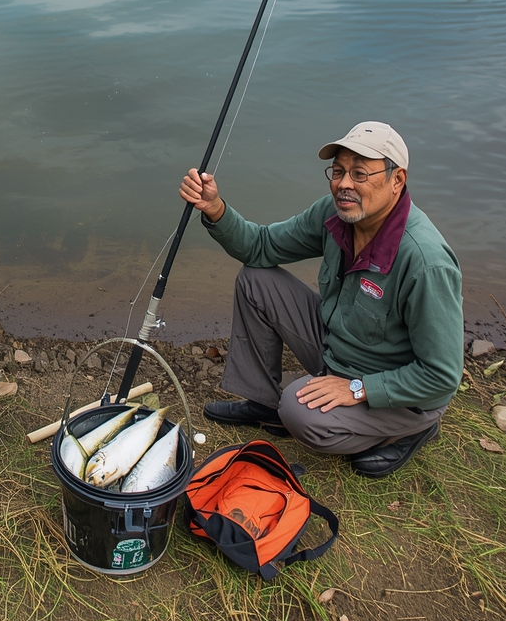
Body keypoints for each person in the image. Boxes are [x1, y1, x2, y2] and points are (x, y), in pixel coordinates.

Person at [179, 122, 463, 478]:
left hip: (400, 389)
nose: (344, 183)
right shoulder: (333, 215)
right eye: (339, 171)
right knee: (256, 278)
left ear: (397, 180)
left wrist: (358, 389)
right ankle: (264, 404)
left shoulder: (425, 262)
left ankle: (408, 430)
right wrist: (216, 208)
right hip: (338, 346)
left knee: (299, 414)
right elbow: (261, 247)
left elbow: (441, 376)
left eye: (360, 173)